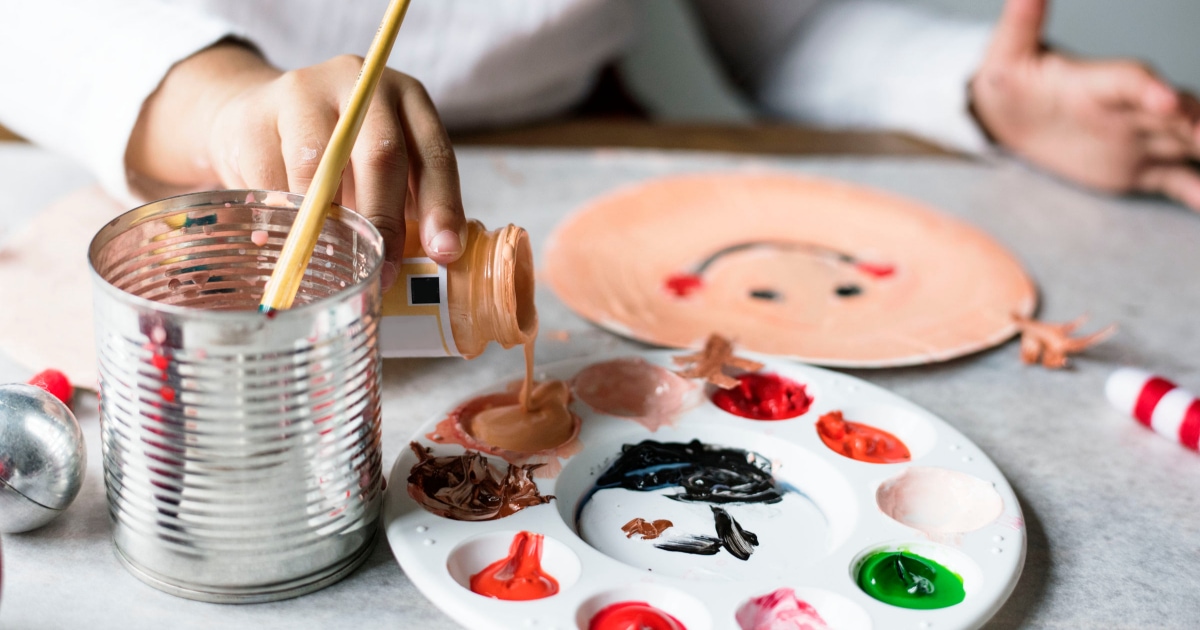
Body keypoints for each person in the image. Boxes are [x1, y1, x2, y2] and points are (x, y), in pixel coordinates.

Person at [1, 0, 1197, 288]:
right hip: (161, 127)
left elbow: (784, 32)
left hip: (567, 148)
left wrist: (973, 96)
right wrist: (217, 102)